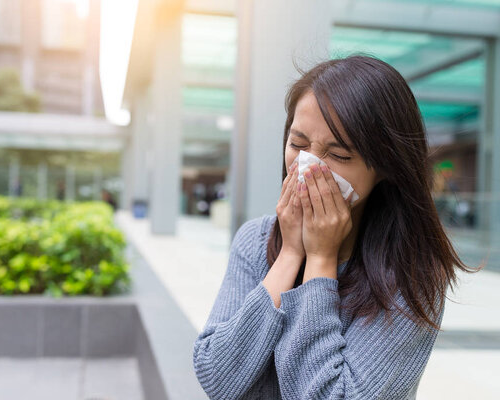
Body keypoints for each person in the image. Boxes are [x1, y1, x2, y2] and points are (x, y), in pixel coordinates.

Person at [192, 55, 483, 399]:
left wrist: (319, 260)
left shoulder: (411, 274)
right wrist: (290, 254)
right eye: (298, 144)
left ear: (387, 165)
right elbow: (216, 377)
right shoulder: (255, 240)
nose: (308, 166)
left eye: (339, 155)